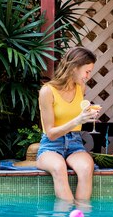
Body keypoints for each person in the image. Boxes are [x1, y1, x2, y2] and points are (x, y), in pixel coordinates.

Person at [36, 46, 99, 203]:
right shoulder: (47, 91)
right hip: (51, 146)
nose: (88, 76)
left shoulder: (80, 88)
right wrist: (78, 120)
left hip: (75, 144)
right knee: (59, 168)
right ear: (74, 68)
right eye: (87, 71)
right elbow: (50, 133)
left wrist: (87, 115)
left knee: (86, 168)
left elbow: (73, 115)